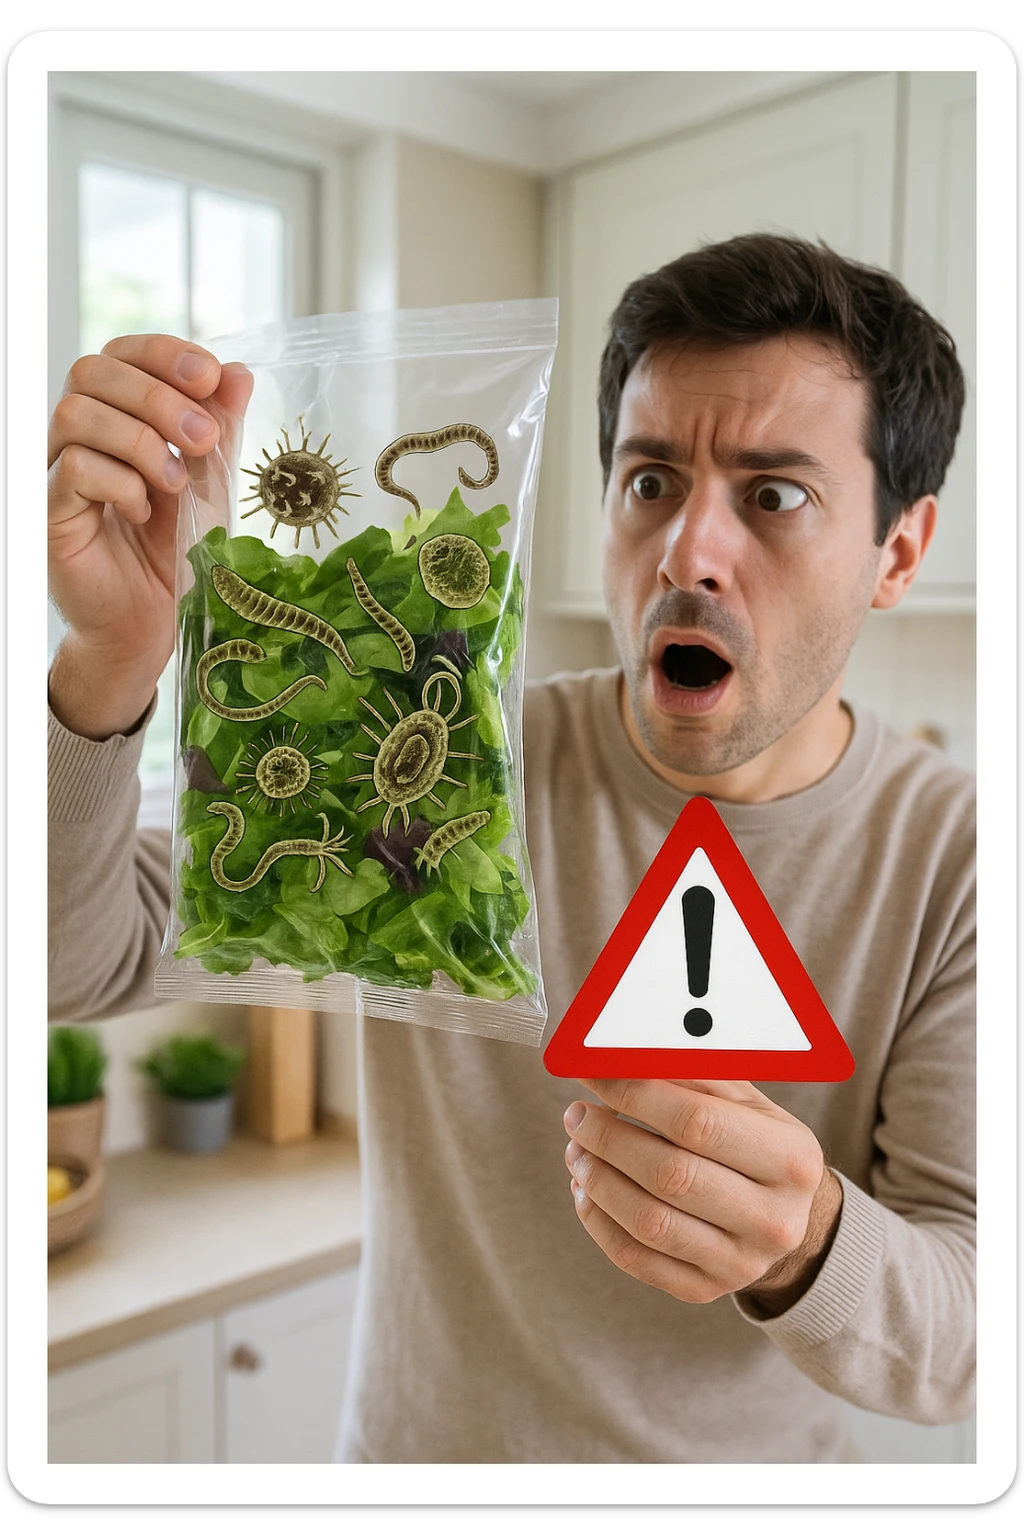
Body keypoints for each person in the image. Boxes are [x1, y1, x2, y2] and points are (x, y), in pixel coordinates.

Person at [47, 234, 975, 1464]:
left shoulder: (958, 858)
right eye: (649, 481)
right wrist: (112, 661)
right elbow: (71, 961)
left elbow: (969, 1340)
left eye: (774, 495)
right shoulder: (443, 750)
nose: (690, 554)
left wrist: (805, 1243)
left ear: (897, 552)